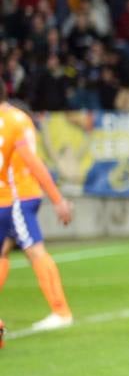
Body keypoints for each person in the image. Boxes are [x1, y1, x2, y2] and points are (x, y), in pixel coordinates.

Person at [0, 101, 75, 331]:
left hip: (16, 197)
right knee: (2, 251)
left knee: (34, 250)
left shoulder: (10, 121)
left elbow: (32, 161)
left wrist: (57, 199)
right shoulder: (19, 118)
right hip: (15, 196)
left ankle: (61, 311)